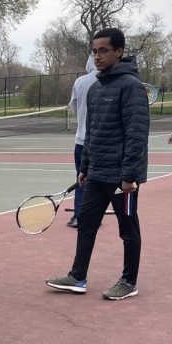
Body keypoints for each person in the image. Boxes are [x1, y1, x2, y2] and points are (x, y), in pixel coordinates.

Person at [46, 27, 149, 300]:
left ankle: (129, 281)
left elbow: (136, 135)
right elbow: (91, 132)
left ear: (119, 51)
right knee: (86, 225)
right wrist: (85, 168)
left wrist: (129, 176)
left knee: (128, 230)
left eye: (103, 50)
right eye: (94, 51)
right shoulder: (94, 88)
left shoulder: (132, 87)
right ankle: (77, 276)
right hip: (96, 175)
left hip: (122, 180)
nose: (98, 56)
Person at [67, 54, 98, 228]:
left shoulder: (80, 82)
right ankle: (92, 215)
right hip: (100, 141)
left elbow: (73, 105)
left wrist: (81, 116)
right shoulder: (112, 80)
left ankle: (81, 215)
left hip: (82, 140)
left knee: (82, 178)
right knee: (100, 181)